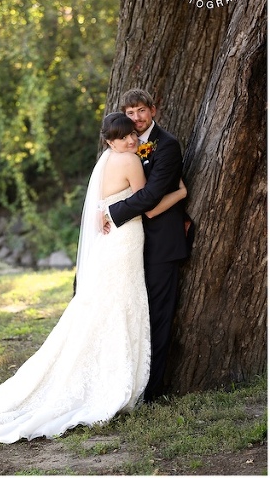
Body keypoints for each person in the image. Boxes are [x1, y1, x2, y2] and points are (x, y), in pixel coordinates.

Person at [0, 112, 187, 444]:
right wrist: (180, 193)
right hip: (124, 241)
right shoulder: (127, 160)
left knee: (112, 306)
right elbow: (150, 205)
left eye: (132, 134)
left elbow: (115, 202)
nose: (131, 140)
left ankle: (107, 375)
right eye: (124, 136)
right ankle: (112, 382)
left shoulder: (107, 160)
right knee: (120, 305)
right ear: (110, 141)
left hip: (116, 242)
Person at [106, 89, 190, 402]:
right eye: (130, 113)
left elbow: (151, 198)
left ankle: (151, 391)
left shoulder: (166, 146)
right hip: (129, 245)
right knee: (131, 314)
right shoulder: (124, 144)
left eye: (141, 110)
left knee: (158, 316)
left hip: (161, 245)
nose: (137, 118)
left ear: (153, 110)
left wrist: (112, 212)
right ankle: (127, 382)